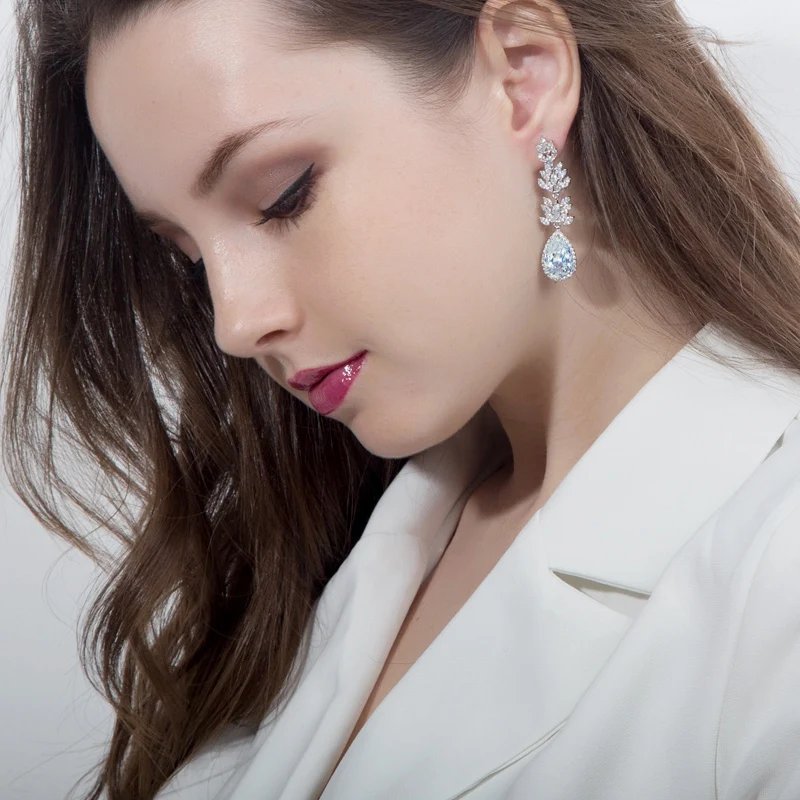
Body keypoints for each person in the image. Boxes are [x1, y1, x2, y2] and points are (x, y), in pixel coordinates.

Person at [3, 0, 800, 797]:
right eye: (190, 256)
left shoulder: (775, 584)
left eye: (284, 196)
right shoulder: (322, 540)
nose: (235, 323)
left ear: (523, 76)